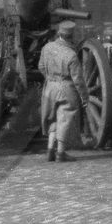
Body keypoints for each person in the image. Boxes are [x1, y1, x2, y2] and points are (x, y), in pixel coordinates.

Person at [38, 20, 88, 162]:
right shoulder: (71, 54)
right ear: (71, 36)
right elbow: (78, 80)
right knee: (65, 118)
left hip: (49, 87)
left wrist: (50, 79)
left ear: (59, 34)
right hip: (66, 89)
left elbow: (41, 67)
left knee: (52, 117)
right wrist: (84, 97)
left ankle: (50, 150)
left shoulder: (47, 48)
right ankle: (60, 153)